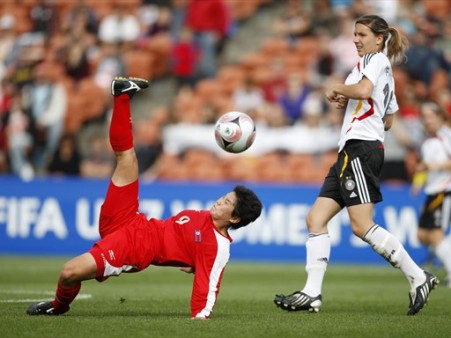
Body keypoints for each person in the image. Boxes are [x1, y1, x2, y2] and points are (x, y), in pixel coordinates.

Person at [26, 77, 263, 319]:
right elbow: (192, 246)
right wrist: (191, 260)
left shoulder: (219, 246)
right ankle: (122, 95)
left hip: (135, 245)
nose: (218, 201)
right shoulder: (205, 219)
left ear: (235, 218)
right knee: (127, 159)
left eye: (226, 203)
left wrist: (200, 315)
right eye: (223, 196)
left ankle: (59, 305)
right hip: (131, 220)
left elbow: (208, 285)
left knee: (68, 272)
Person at [273, 15, 439, 316]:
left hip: (361, 150)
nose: (356, 39)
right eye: (355, 34)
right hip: (352, 151)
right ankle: (312, 293)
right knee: (316, 219)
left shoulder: (376, 60)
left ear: (379, 38)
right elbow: (387, 119)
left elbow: (364, 93)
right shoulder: (371, 68)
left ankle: (418, 277)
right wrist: (349, 99)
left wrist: (338, 89)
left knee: (361, 226)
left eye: (362, 34)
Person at [412, 102, 451, 287]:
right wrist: (418, 182)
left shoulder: (446, 136)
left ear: (440, 116)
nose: (426, 120)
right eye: (424, 117)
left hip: (444, 189)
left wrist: (431, 167)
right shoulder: (427, 140)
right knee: (421, 234)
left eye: (430, 116)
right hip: (432, 189)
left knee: (435, 234)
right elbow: (423, 166)